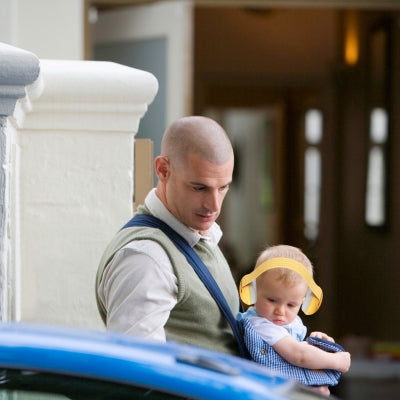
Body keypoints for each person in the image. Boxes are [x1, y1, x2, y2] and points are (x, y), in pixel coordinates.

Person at [95, 115, 241, 356]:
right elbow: (137, 372)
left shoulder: (197, 235)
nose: (214, 205)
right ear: (163, 170)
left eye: (223, 187)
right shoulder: (147, 259)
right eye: (199, 187)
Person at [237, 244, 351, 392]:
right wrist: (336, 361)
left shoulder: (287, 322)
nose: (280, 311)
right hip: (270, 388)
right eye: (272, 300)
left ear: (302, 301)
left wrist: (316, 344)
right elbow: (299, 355)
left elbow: (299, 348)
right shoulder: (259, 324)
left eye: (291, 305)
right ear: (254, 291)